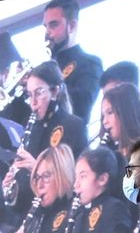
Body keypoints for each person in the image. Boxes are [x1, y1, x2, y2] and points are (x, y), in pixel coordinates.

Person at [7, 64, 86, 216]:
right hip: (28, 212)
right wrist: (13, 184)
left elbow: (73, 181)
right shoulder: (31, 128)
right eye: (30, 95)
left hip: (57, 213)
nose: (33, 103)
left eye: (39, 93)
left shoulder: (74, 125)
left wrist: (35, 167)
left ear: (55, 92)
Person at [42, 0, 102, 121]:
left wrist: (45, 85)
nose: (47, 33)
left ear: (72, 26)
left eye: (53, 25)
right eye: (46, 27)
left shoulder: (90, 63)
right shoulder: (47, 66)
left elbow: (82, 106)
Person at [99, 83, 140, 161]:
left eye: (110, 112)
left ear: (125, 114)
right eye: (103, 116)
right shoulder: (113, 153)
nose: (104, 121)